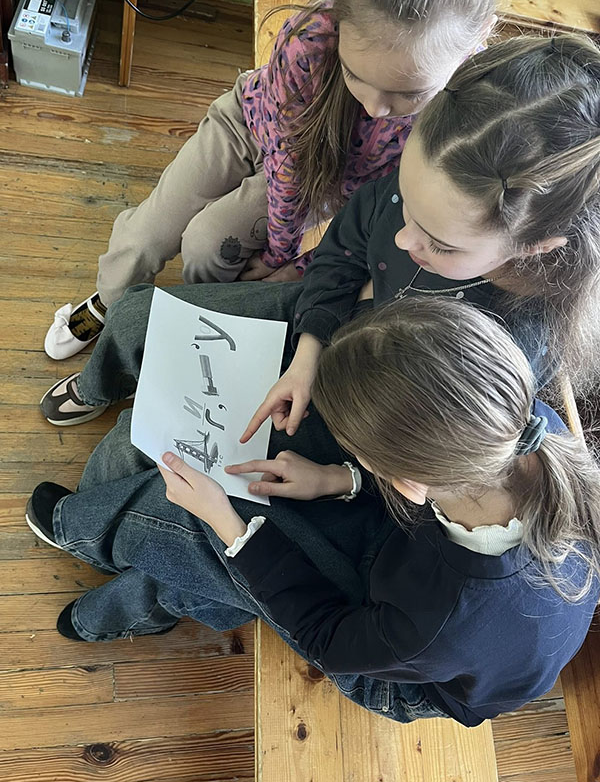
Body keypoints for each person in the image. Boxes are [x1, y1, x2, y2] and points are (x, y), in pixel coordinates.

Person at [26, 298, 600, 727]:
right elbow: (435, 496)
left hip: (396, 667)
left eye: (363, 456)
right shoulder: (524, 427)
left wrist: (229, 526)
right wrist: (339, 478)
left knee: (203, 532)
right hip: (425, 589)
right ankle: (148, 598)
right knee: (230, 559)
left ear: (406, 481)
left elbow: (326, 636)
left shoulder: (440, 619)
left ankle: (82, 534)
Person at [39, 33, 600, 428]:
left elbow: (407, 439)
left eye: (440, 243)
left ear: (536, 247)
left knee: (138, 445)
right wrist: (310, 345)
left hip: (358, 400)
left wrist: (335, 467)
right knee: (140, 311)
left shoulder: (509, 345)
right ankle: (111, 361)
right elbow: (348, 242)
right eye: (406, 207)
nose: (402, 239)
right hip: (324, 327)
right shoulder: (436, 183)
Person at [42, 0, 501, 361]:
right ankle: (109, 300)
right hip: (249, 125)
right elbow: (287, 168)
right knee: (147, 233)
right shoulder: (309, 38)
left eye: (409, 93)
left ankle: (196, 322)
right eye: (355, 75)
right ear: (341, 14)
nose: (375, 108)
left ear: (475, 38)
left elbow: (377, 216)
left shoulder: (468, 108)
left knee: (207, 246)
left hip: (325, 178)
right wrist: (280, 253)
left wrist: (296, 266)